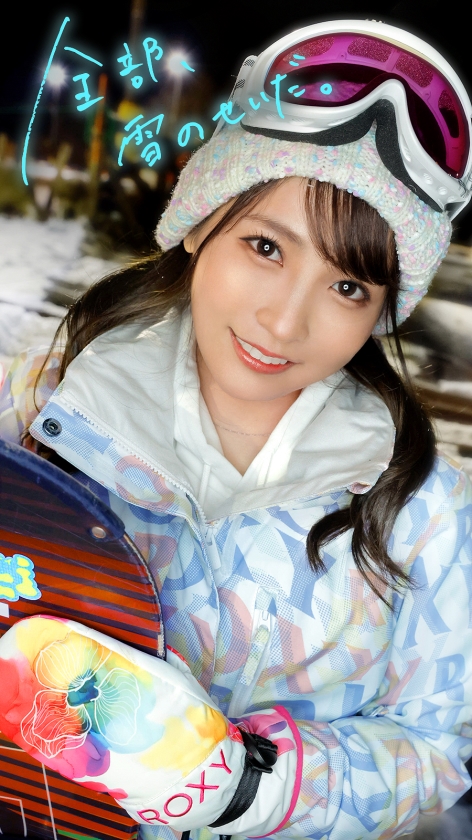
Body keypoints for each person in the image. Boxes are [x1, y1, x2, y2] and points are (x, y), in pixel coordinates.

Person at [1, 18, 472, 840]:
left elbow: (435, 748)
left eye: (349, 288)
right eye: (264, 247)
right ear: (199, 222)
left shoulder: (422, 507)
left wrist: (247, 786)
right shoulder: (42, 406)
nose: (285, 322)